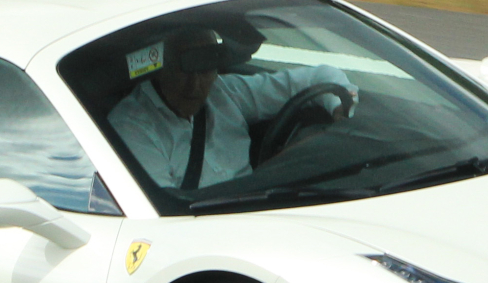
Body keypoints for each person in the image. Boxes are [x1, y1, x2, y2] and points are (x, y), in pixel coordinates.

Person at [108, 26, 353, 192]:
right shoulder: (132, 127)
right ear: (160, 68)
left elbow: (321, 76)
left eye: (205, 71)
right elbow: (164, 214)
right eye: (184, 70)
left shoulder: (225, 93)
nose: (195, 85)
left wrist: (340, 110)